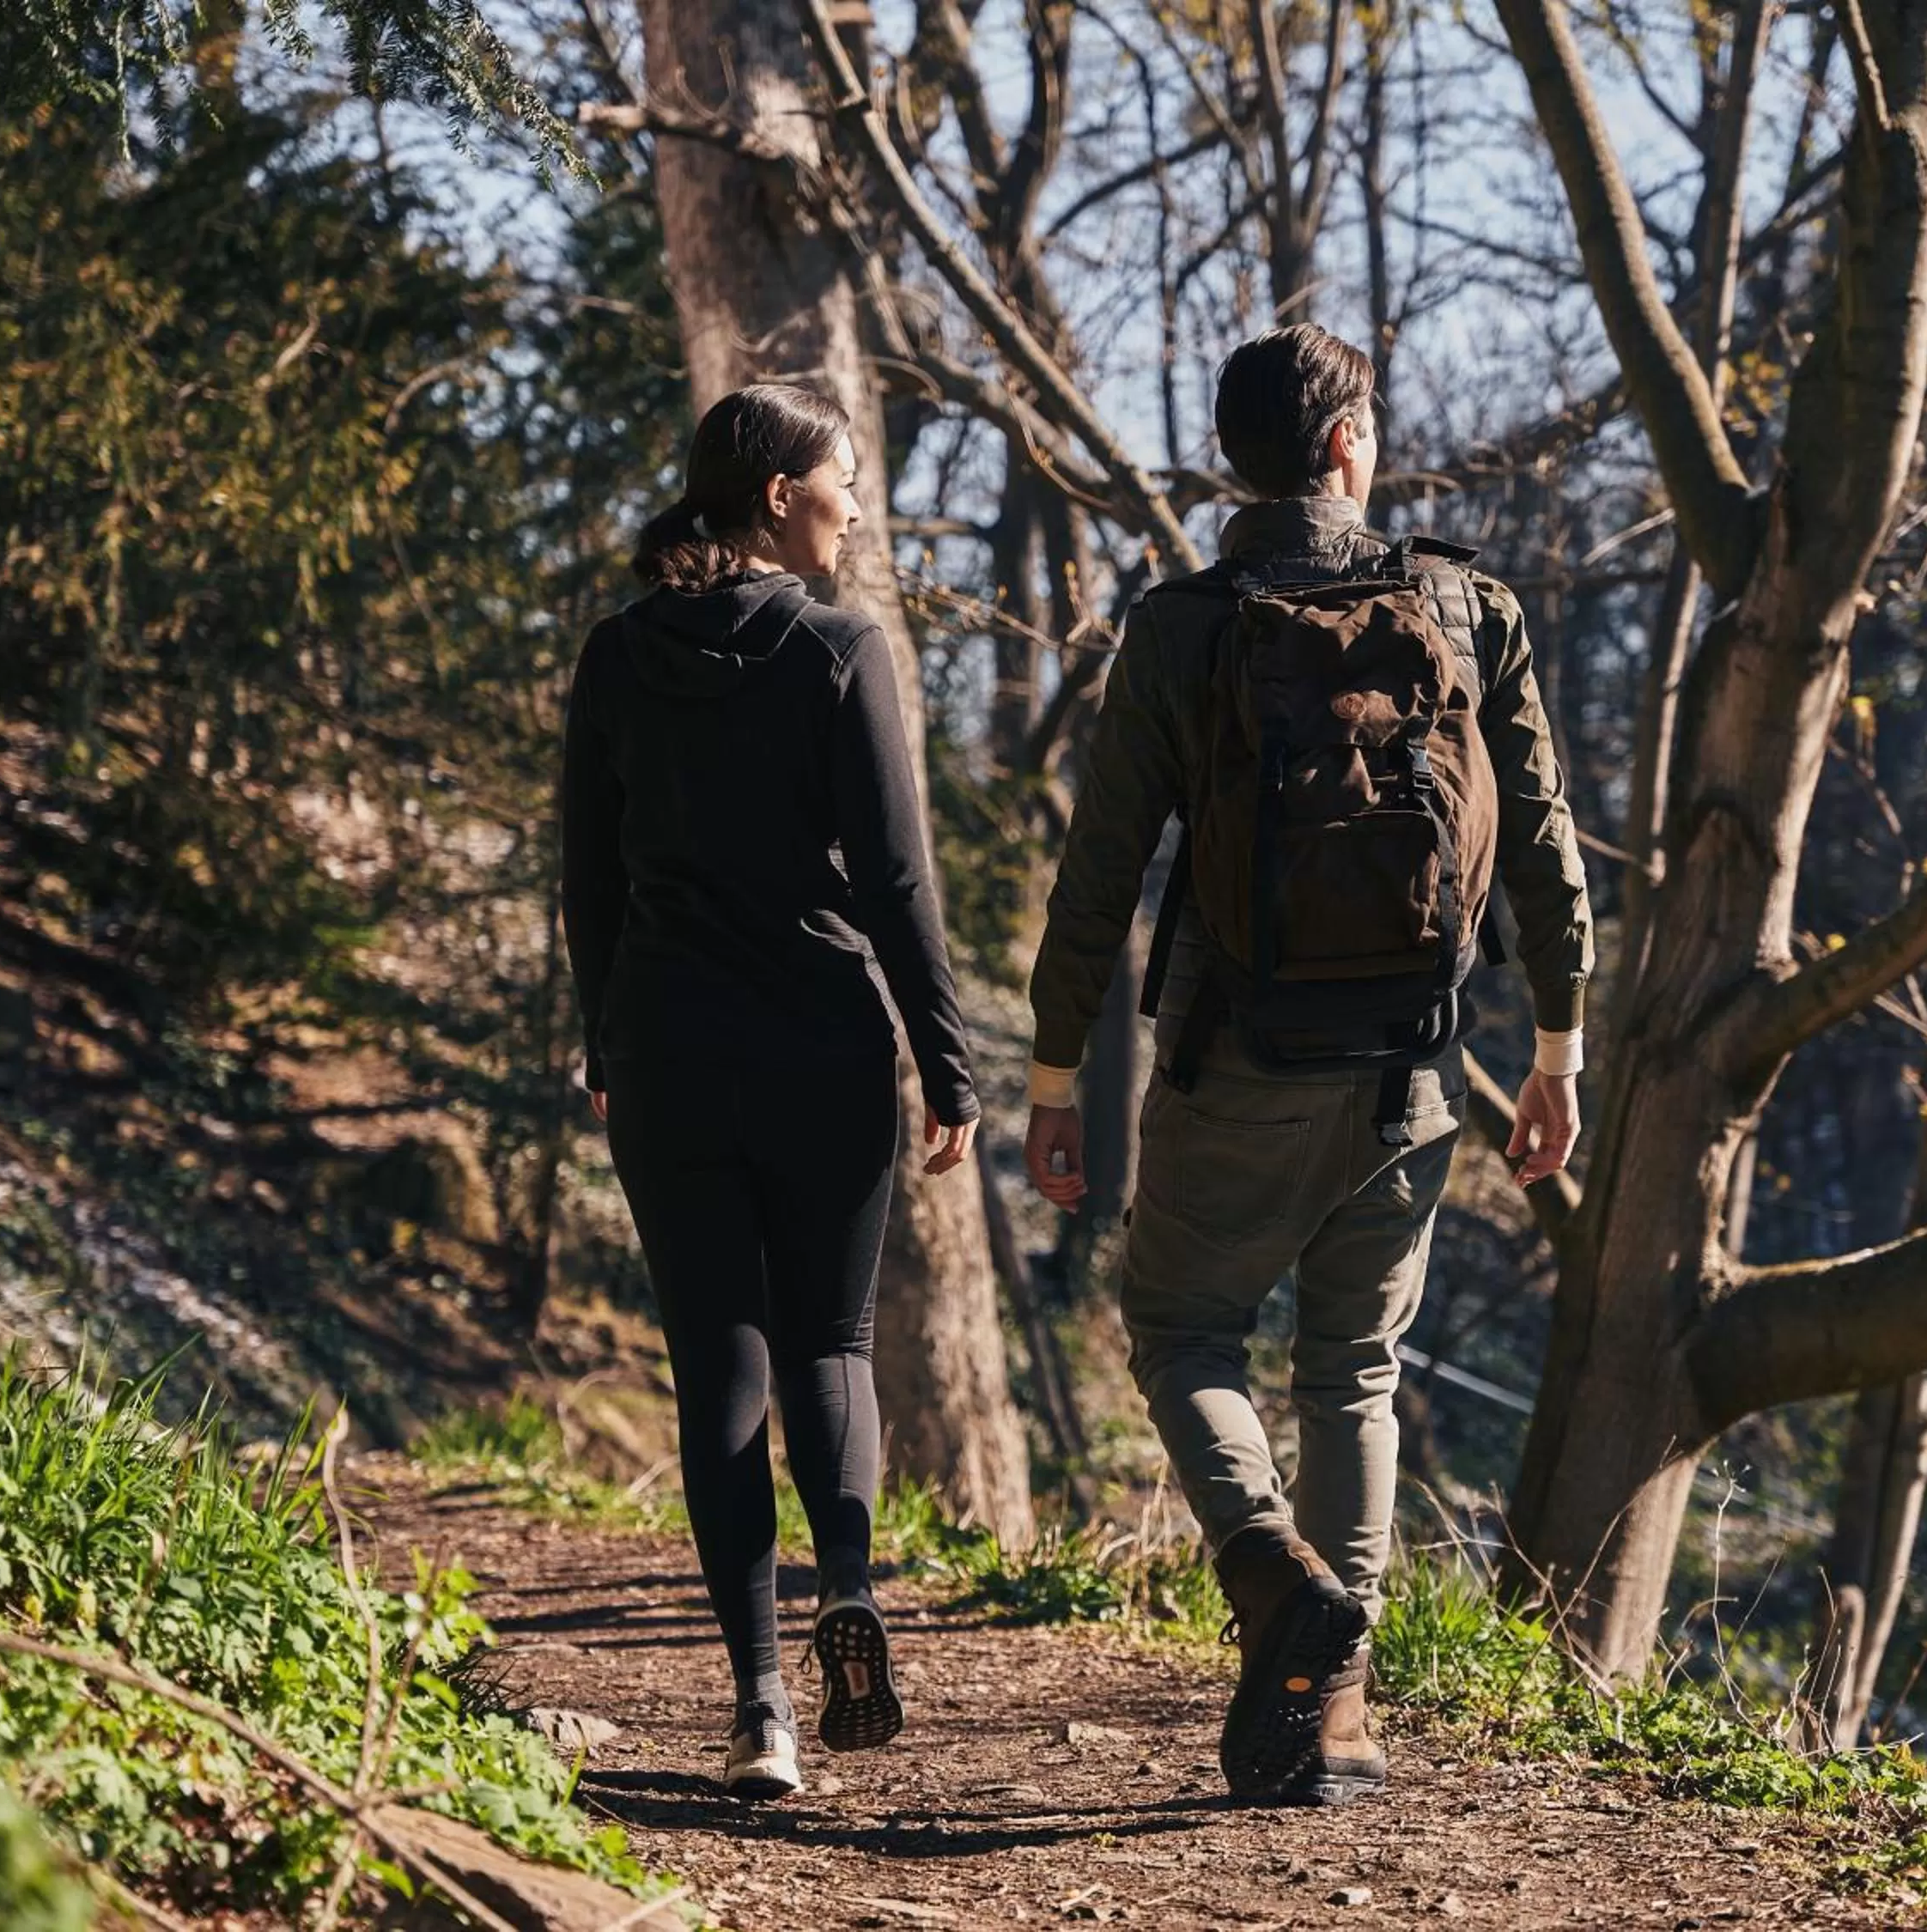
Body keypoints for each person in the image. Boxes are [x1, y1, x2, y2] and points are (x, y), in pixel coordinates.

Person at [1023, 324, 1593, 1807]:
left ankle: (1271, 1576)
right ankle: (1336, 1718)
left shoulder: (1183, 628)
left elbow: (1101, 869)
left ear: (1238, 458)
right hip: (1416, 1056)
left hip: (1234, 1054)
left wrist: (1048, 1068)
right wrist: (1557, 1044)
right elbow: (1539, 835)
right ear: (1349, 446)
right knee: (1356, 1368)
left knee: (1183, 1326)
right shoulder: (1466, 606)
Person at [558, 383, 981, 1801]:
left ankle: (759, 1706)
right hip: (823, 1046)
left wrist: (606, 1044)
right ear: (780, 495)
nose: (858, 506)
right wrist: (948, 1057)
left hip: (673, 1048)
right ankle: (846, 1580)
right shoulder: (841, 650)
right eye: (844, 481)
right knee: (831, 1345)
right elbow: (900, 879)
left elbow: (588, 882)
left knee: (718, 1368)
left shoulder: (617, 657)